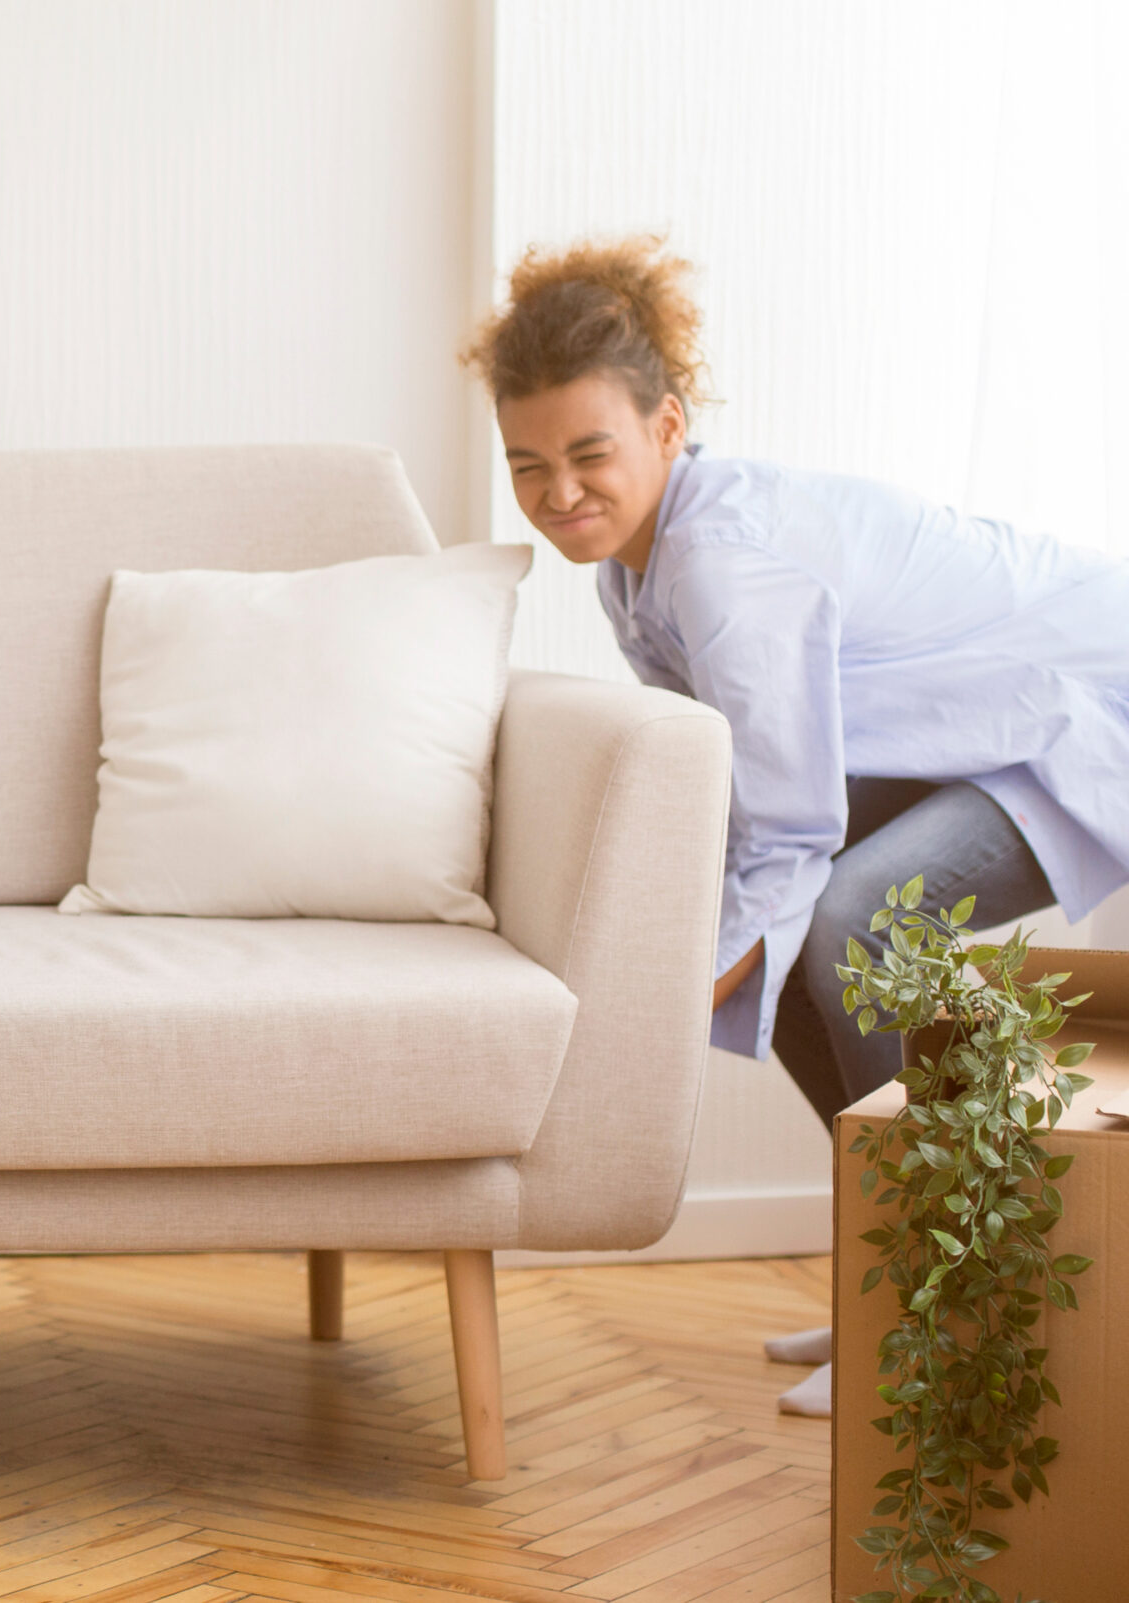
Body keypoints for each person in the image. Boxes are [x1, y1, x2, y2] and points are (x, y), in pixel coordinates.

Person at [462, 236, 1129, 1417]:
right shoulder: (633, 567)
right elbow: (726, 799)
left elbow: (784, 828)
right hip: (975, 732)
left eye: (589, 453)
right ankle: (907, 1281)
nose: (559, 492)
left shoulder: (722, 562)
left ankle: (956, 1305)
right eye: (527, 464)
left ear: (667, 428)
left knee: (842, 923)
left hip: (1079, 718)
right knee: (772, 956)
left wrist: (669, 991)